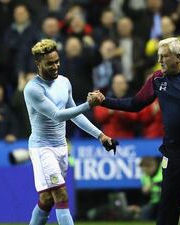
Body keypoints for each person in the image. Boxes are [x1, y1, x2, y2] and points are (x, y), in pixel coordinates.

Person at [91, 37, 180, 225]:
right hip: (174, 150)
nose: (160, 60)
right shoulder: (157, 79)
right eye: (159, 56)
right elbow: (135, 104)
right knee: (168, 202)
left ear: (179, 57)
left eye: (164, 56)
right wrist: (105, 101)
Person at [23, 39, 114, 225]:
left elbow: (74, 115)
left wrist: (100, 134)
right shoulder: (33, 89)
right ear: (38, 64)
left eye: (57, 61)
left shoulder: (64, 82)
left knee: (47, 199)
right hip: (43, 149)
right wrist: (88, 105)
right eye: (50, 63)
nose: (55, 66)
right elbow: (57, 115)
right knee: (61, 194)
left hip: (61, 146)